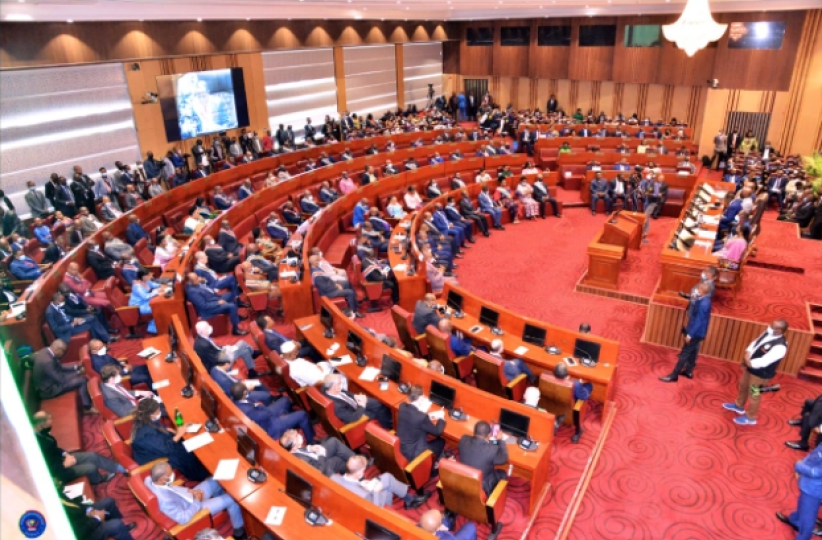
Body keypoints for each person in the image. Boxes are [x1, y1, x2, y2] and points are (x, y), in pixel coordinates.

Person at [145, 461, 247, 540]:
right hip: (194, 510)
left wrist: (190, 491)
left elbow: (171, 489)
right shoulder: (165, 501)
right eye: (170, 473)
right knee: (231, 499)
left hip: (188, 498)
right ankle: (239, 531)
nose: (173, 474)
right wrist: (197, 501)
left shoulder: (150, 480)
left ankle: (221, 502)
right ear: (162, 479)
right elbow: (183, 518)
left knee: (215, 479)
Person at [723, 320, 789, 426]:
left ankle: (750, 417)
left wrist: (748, 362)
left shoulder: (780, 346)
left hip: (760, 374)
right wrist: (747, 353)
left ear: (779, 330)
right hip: (750, 368)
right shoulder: (768, 333)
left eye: (772, 326)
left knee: (754, 395)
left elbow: (764, 361)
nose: (769, 327)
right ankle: (739, 406)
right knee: (743, 386)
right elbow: (755, 343)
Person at [33, 411, 124, 483]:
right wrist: (64, 464)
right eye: (49, 423)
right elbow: (46, 468)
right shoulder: (37, 445)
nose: (51, 425)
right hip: (58, 472)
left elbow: (54, 448)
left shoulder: (41, 432)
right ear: (42, 425)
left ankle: (118, 468)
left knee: (92, 456)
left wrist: (65, 454)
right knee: (91, 468)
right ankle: (98, 480)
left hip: (60, 459)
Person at [131, 399, 210, 481]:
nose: (159, 413)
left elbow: (157, 431)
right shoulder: (147, 435)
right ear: (151, 415)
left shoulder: (143, 419)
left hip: (160, 447)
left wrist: (168, 430)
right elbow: (166, 449)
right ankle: (205, 470)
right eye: (157, 411)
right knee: (190, 453)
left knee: (189, 442)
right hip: (159, 457)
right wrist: (179, 434)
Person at [660, 282, 713, 382]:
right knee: (692, 352)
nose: (697, 289)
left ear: (702, 291)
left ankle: (674, 375)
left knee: (684, 353)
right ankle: (689, 371)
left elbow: (698, 320)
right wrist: (694, 298)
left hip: (695, 332)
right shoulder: (704, 299)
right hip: (699, 332)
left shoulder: (704, 304)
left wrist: (690, 334)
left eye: (699, 288)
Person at [332, 455, 429, 509]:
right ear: (358, 473)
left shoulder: (334, 478)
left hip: (357, 496)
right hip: (374, 505)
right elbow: (376, 510)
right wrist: (376, 491)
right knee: (387, 485)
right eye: (363, 470)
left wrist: (360, 484)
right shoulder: (363, 495)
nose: (364, 472)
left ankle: (409, 499)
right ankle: (409, 500)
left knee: (386, 477)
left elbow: (350, 486)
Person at [776, 432, 822, 540]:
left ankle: (803, 537)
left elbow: (816, 472)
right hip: (810, 483)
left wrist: (799, 466)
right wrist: (803, 463)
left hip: (814, 489)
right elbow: (814, 455)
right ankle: (795, 520)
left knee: (808, 517)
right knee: (803, 504)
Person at [231, 382, 315, 442]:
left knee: (285, 400)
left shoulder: (235, 400)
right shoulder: (248, 410)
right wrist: (260, 406)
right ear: (245, 393)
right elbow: (266, 414)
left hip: (263, 416)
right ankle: (311, 440)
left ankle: (292, 423)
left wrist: (258, 406)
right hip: (269, 426)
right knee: (302, 414)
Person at [397, 384, 447, 466]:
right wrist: (441, 417)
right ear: (420, 398)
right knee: (441, 441)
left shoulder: (402, 406)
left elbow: (415, 419)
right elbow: (438, 432)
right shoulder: (421, 417)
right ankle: (432, 465)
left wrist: (429, 416)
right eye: (423, 396)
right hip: (414, 454)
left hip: (402, 447)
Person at [322, 373, 393, 429]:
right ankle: (388, 426)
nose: (341, 385)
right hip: (355, 413)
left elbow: (346, 393)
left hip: (355, 402)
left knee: (378, 403)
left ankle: (388, 420)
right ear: (334, 387)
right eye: (339, 384)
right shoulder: (337, 406)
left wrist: (355, 396)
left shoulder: (329, 389)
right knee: (377, 412)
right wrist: (362, 406)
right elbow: (352, 417)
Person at [458, 421, 510, 496]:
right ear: (489, 435)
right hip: (482, 485)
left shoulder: (463, 439)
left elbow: (485, 444)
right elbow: (504, 458)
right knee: (503, 473)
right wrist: (500, 441)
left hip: (463, 477)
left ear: (474, 431)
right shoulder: (491, 450)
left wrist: (493, 442)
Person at [279, 428, 355, 476]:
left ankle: (355, 460)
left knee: (333, 441)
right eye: (297, 436)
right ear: (294, 446)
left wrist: (309, 448)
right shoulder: (300, 460)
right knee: (338, 460)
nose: (300, 435)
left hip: (315, 456)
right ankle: (355, 470)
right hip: (321, 466)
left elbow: (300, 450)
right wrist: (321, 455)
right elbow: (319, 472)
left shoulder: (292, 450)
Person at [62, 492, 136, 540]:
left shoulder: (57, 494)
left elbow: (76, 503)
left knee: (108, 501)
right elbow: (79, 532)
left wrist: (89, 510)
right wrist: (97, 518)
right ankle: (119, 528)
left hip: (83, 516)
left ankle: (122, 530)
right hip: (83, 535)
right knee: (116, 525)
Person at [553, 363, 593, 443]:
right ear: (567, 375)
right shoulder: (575, 384)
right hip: (570, 410)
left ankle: (557, 421)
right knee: (589, 385)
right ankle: (578, 432)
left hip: (555, 404)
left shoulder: (547, 377)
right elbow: (584, 397)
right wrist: (581, 385)